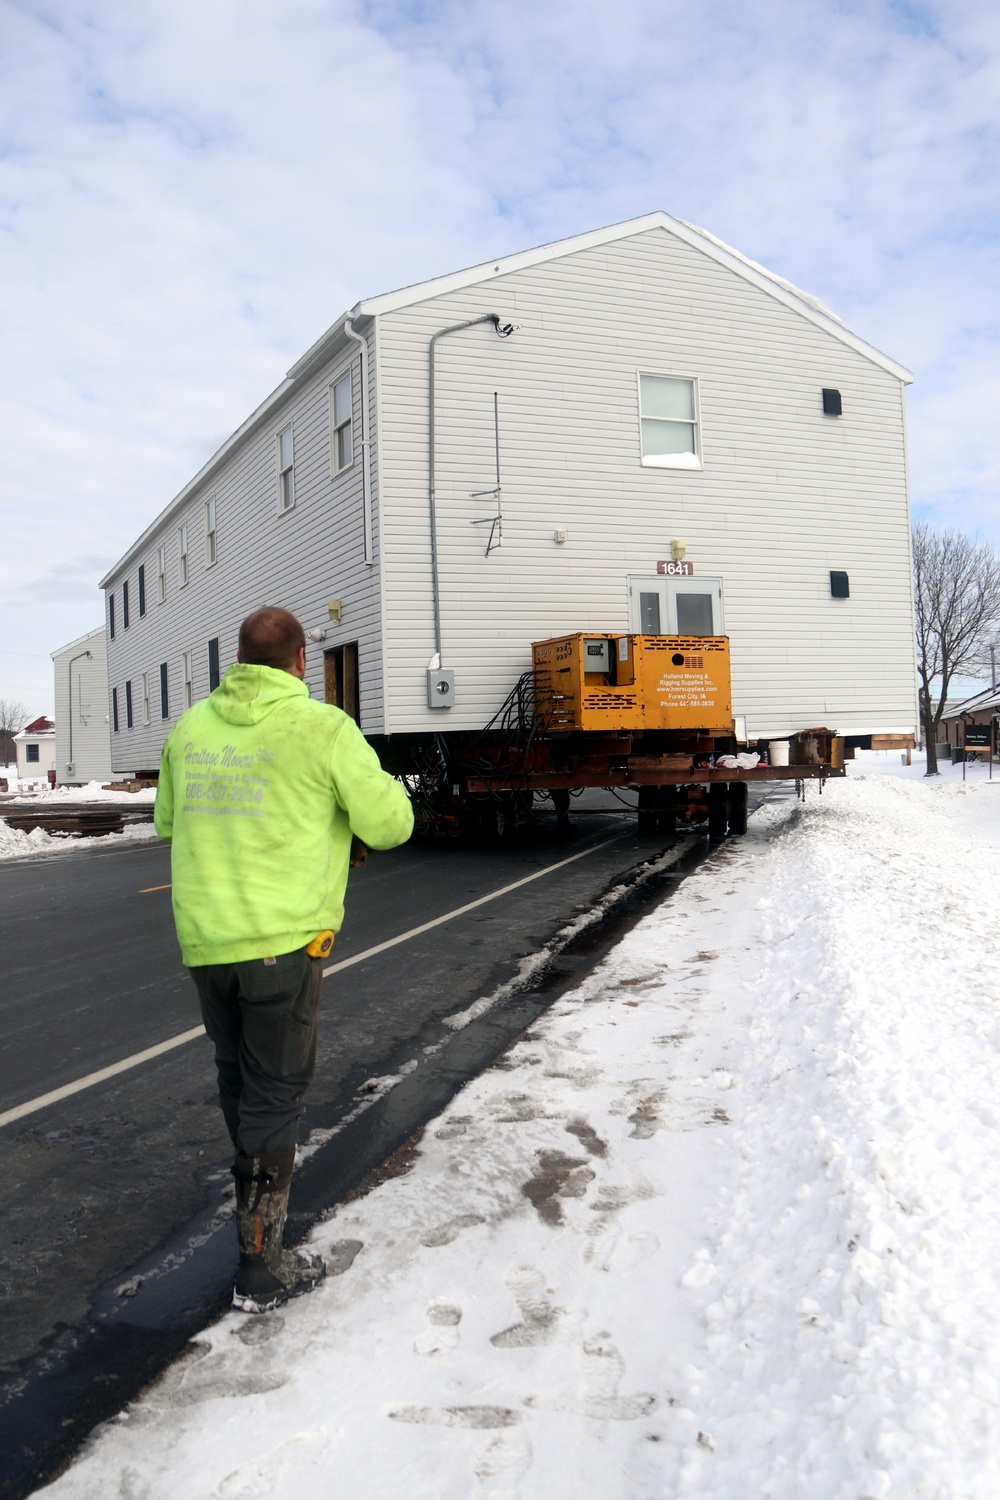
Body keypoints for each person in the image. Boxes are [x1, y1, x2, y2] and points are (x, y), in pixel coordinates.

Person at [154, 606, 413, 1313]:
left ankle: (251, 1208)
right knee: (275, 1090)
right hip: (283, 942)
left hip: (207, 942)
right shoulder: (322, 728)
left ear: (236, 661)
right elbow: (391, 825)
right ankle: (261, 1264)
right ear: (301, 661)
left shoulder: (190, 729)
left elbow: (168, 821)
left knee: (238, 1079)